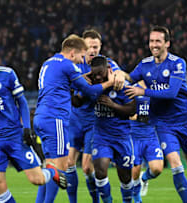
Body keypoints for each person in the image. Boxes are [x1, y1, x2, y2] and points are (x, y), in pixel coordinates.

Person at [0, 38, 66, 203]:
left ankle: (52, 172)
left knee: (37, 179)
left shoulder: (6, 74)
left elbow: (22, 102)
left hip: (14, 136)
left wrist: (26, 128)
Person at [124, 26, 187, 203]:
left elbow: (171, 93)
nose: (154, 45)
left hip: (184, 121)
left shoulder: (178, 63)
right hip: (163, 124)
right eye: (151, 41)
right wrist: (115, 73)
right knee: (176, 165)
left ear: (167, 43)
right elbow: (128, 78)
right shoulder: (144, 64)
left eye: (158, 41)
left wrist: (143, 92)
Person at [34, 34, 115, 203]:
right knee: (60, 168)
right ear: (72, 53)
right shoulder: (68, 65)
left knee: (50, 164)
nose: (81, 60)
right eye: (80, 56)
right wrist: (109, 82)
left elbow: (60, 83)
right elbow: (90, 91)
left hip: (40, 117)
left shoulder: (49, 62)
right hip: (55, 118)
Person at [66, 29, 123, 203]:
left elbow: (121, 73)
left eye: (96, 47)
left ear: (100, 47)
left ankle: (96, 201)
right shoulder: (75, 63)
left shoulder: (105, 64)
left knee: (86, 167)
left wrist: (120, 74)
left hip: (94, 122)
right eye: (90, 47)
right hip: (74, 120)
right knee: (69, 164)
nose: (93, 51)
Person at [73, 56, 135, 203]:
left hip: (122, 137)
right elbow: (77, 102)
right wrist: (75, 85)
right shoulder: (92, 86)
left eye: (100, 73)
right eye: (95, 74)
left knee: (125, 178)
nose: (98, 77)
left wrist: (114, 106)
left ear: (108, 69)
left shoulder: (121, 85)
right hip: (101, 137)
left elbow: (132, 110)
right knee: (100, 172)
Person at [129, 81, 164, 203]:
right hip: (133, 137)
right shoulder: (132, 89)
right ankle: (137, 200)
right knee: (134, 172)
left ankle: (144, 178)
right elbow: (125, 112)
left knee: (157, 169)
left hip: (150, 136)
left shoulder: (156, 90)